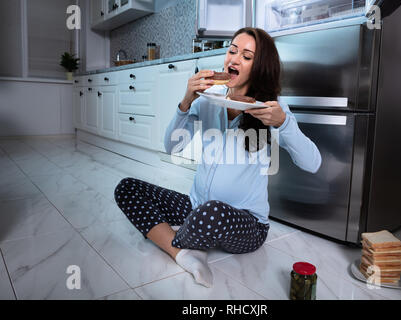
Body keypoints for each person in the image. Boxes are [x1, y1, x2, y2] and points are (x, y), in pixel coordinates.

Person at [114, 27, 321, 288]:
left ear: (260, 68)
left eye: (246, 56)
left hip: (247, 224)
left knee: (211, 212)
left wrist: (283, 124)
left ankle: (174, 237)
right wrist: (186, 102)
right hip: (196, 206)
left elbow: (313, 164)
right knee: (127, 188)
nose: (233, 59)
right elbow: (170, 148)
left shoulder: (272, 110)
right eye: (232, 50)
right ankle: (183, 252)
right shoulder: (208, 100)